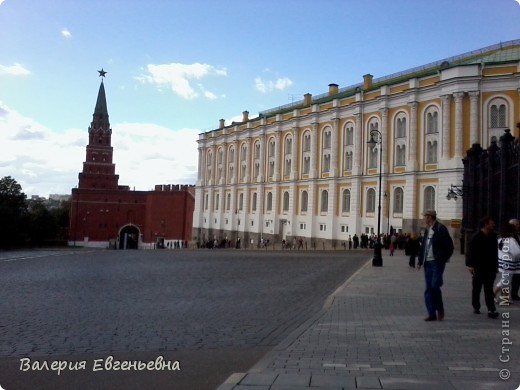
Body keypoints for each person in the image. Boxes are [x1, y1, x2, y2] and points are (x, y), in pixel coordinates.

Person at [417, 210, 454, 321]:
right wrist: (419, 261)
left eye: (425, 217)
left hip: (436, 263)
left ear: (430, 217)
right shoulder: (427, 229)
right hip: (427, 263)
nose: (424, 219)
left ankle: (440, 309)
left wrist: (441, 258)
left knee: (434, 286)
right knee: (428, 289)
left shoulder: (440, 228)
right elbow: (424, 246)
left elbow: (449, 246)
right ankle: (431, 313)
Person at [466, 216, 499, 319]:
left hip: (490, 267)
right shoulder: (476, 236)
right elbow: (470, 251)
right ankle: (476, 306)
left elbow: (495, 252)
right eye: (491, 223)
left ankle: (491, 309)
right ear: (486, 224)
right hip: (478, 267)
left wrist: (496, 266)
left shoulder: (494, 236)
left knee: (488, 289)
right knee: (477, 288)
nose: (493, 225)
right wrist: (470, 265)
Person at [494, 223, 520, 304]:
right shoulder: (511, 240)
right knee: (505, 280)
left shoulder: (501, 239)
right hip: (509, 263)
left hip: (502, 262)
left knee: (507, 280)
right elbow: (517, 252)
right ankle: (493, 294)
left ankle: (505, 298)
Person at [509, 218, 520, 301]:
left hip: (517, 260)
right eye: (515, 225)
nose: (517, 226)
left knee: (517, 277)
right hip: (509, 260)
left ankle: (514, 294)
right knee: (505, 279)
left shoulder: (517, 234)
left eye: (518, 224)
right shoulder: (509, 235)